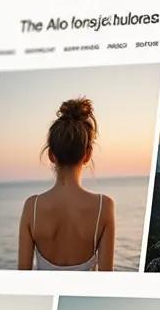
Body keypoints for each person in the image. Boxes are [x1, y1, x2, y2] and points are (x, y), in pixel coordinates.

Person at [18, 97, 115, 271]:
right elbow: (107, 281)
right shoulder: (104, 207)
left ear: (51, 155)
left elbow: (22, 276)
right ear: (88, 154)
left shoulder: (32, 207)